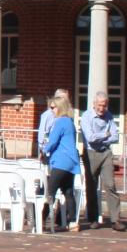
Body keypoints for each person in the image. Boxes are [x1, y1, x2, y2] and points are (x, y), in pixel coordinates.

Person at [79, 90, 123, 231]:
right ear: (94, 104)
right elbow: (90, 137)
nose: (101, 108)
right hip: (91, 153)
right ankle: (93, 218)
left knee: (110, 184)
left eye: (104, 105)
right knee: (91, 186)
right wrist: (105, 134)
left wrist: (104, 137)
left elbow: (115, 137)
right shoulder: (86, 116)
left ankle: (115, 219)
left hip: (106, 152)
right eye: (99, 105)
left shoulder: (109, 116)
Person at [40, 92, 81, 231]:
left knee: (50, 191)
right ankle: (73, 222)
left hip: (61, 161)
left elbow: (52, 142)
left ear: (60, 108)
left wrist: (44, 151)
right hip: (71, 161)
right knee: (68, 192)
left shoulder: (60, 122)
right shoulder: (70, 122)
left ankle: (41, 220)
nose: (52, 110)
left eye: (54, 107)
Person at [36, 88, 70, 154]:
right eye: (65, 99)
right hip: (50, 151)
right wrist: (43, 150)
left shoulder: (65, 115)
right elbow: (43, 133)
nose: (67, 102)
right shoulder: (49, 115)